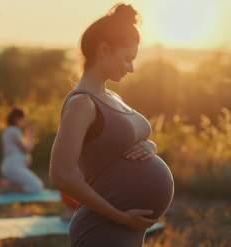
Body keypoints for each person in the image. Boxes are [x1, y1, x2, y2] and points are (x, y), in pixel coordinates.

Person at [49, 4, 174, 246]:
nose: (131, 68)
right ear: (104, 50)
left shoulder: (111, 97)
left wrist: (149, 146)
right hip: (103, 228)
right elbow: (62, 174)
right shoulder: (82, 103)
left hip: (127, 227)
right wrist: (121, 217)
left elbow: (119, 145)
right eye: (127, 58)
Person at [0, 107, 44, 193]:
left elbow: (22, 147)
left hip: (13, 167)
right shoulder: (13, 131)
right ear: (17, 118)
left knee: (35, 186)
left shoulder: (12, 131)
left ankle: (7, 185)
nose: (24, 121)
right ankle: (7, 186)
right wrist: (30, 135)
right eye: (23, 119)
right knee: (37, 187)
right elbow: (26, 149)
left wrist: (28, 136)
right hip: (12, 167)